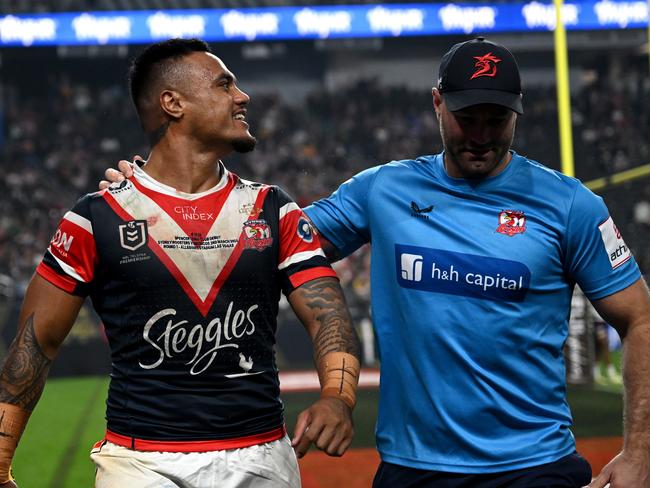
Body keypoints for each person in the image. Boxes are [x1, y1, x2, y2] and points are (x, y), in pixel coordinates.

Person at [103, 38, 650, 487]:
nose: (481, 134)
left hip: (536, 467)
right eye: (467, 117)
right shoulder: (383, 190)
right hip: (414, 470)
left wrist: (641, 453)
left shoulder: (570, 204)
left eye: (497, 118)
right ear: (438, 103)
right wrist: (159, 195)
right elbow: (263, 241)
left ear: (517, 112)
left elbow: (639, 318)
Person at [0, 38, 362, 488]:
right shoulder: (96, 217)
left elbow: (329, 315)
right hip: (140, 463)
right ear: (173, 103)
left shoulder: (273, 209)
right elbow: (35, 342)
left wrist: (338, 396)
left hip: (263, 455)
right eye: (224, 84)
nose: (242, 96)